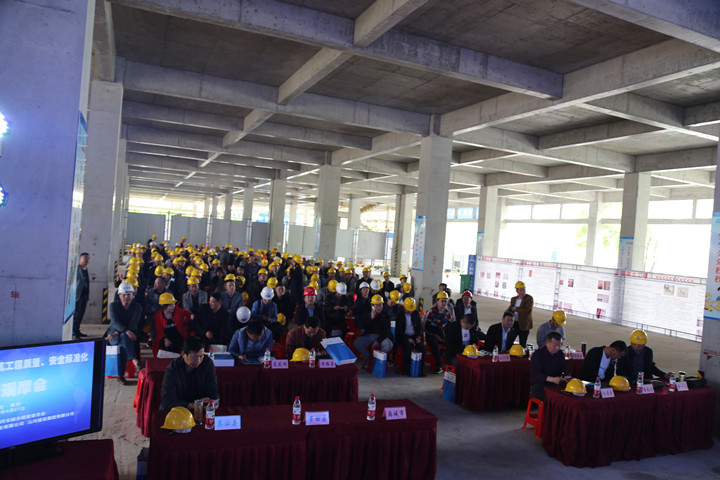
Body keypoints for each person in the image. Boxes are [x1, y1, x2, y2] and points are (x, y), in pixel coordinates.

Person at [160, 336, 220, 410]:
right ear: (183, 354)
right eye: (194, 357)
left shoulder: (207, 363)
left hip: (200, 409)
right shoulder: (173, 369)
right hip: (179, 410)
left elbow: (213, 390)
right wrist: (192, 405)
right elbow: (167, 401)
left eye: (201, 356)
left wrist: (213, 402)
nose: (198, 360)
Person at [106, 281, 143, 385]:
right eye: (124, 294)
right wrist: (124, 332)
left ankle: (120, 375)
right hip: (114, 334)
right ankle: (135, 360)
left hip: (127, 334)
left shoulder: (137, 307)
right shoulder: (113, 306)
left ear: (132, 294)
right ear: (119, 295)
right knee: (123, 338)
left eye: (128, 294)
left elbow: (133, 324)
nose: (126, 297)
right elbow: (115, 322)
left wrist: (121, 333)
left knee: (122, 343)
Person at [529, 331, 572, 401]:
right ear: (547, 343)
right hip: (540, 386)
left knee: (567, 397)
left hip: (555, 384)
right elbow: (536, 374)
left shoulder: (560, 353)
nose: (557, 348)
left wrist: (568, 376)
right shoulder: (538, 354)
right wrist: (552, 379)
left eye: (559, 345)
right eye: (555, 345)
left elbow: (565, 368)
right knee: (555, 398)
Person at [353, 294, 393, 366]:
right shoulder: (368, 313)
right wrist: (371, 318)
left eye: (380, 305)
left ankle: (378, 358)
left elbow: (386, 331)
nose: (379, 307)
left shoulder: (386, 315)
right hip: (370, 336)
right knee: (356, 343)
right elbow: (362, 326)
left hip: (381, 336)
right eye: (377, 305)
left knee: (389, 344)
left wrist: (378, 341)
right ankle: (368, 356)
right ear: (372, 306)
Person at [152, 293, 192, 357]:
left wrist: (186, 321)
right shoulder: (158, 315)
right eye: (170, 305)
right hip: (164, 337)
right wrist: (165, 339)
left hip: (177, 337)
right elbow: (159, 330)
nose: (173, 306)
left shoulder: (178, 311)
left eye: (173, 304)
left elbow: (188, 313)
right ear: (164, 306)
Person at [424, 291, 454, 373]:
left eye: (446, 301)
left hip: (442, 334)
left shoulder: (447, 313)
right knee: (434, 345)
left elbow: (449, 326)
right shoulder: (431, 312)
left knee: (451, 344)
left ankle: (449, 365)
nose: (444, 303)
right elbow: (426, 327)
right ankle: (439, 366)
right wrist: (435, 335)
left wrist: (445, 337)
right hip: (431, 334)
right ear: (437, 301)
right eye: (442, 301)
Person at [395, 297, 424, 376]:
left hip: (414, 336)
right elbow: (399, 331)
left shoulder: (416, 314)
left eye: (411, 310)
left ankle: (420, 370)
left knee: (422, 348)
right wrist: (407, 339)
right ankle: (406, 370)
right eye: (408, 309)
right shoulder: (400, 315)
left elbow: (419, 327)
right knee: (407, 348)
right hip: (403, 337)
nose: (410, 311)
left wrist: (418, 337)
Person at [509, 281, 533, 347]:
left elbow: (527, 310)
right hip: (514, 324)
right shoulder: (513, 299)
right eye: (521, 290)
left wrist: (516, 309)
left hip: (524, 325)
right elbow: (511, 307)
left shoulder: (529, 299)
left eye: (524, 290)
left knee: (522, 343)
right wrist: (508, 310)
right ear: (517, 291)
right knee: (510, 341)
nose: (523, 292)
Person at [73, 252, 91, 339]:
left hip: (85, 296)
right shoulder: (77, 269)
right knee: (76, 315)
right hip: (78, 296)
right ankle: (74, 333)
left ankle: (77, 330)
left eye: (88, 258)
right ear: (80, 259)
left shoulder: (85, 269)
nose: (87, 260)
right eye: (85, 258)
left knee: (81, 314)